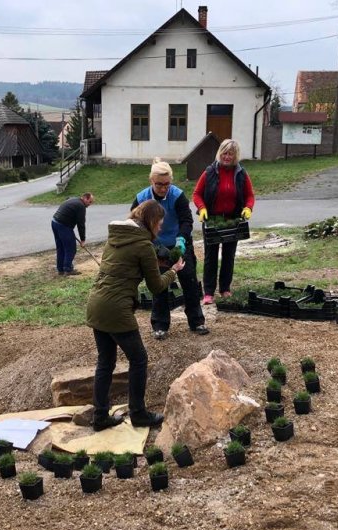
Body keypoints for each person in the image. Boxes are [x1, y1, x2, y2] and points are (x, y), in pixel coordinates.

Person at [86, 200, 185, 431]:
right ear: (151, 222)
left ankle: (99, 417)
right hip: (116, 309)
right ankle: (139, 413)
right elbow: (157, 287)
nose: (160, 229)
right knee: (139, 359)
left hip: (96, 304)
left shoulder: (115, 238)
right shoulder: (143, 246)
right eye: (159, 224)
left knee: (105, 362)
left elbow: (125, 266)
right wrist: (173, 271)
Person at [131, 159, 208, 339]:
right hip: (155, 246)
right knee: (159, 285)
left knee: (189, 282)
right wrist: (149, 243)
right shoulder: (142, 198)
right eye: (159, 184)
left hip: (179, 244)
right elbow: (135, 223)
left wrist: (182, 238)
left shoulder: (177, 196)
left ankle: (196, 321)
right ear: (151, 181)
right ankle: (160, 324)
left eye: (167, 184)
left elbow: (186, 220)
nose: (163, 188)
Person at [192, 139, 255, 305]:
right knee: (210, 256)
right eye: (225, 153)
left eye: (230, 154)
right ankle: (209, 293)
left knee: (229, 255)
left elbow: (250, 195)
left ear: (235, 156)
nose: (227, 157)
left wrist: (248, 208)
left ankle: (225, 288)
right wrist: (202, 208)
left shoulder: (241, 173)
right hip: (212, 219)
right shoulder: (210, 171)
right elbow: (197, 194)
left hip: (233, 219)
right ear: (220, 153)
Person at [51, 192, 94, 275]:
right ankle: (68, 269)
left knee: (61, 247)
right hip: (63, 226)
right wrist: (83, 240)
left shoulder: (74, 199)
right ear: (85, 198)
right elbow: (81, 224)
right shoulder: (81, 206)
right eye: (90, 202)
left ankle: (61, 269)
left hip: (55, 222)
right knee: (70, 248)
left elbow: (67, 199)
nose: (90, 204)